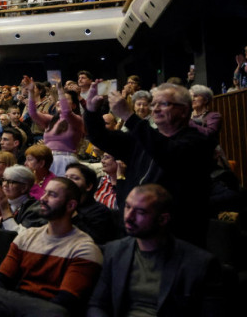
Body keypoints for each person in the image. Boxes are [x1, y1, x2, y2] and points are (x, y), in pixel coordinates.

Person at [83, 83, 215, 247]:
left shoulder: (197, 143)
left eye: (164, 104)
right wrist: (91, 111)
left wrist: (129, 117)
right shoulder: (142, 139)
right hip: (135, 231)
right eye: (154, 104)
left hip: (175, 239)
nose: (156, 109)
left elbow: (169, 155)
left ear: (184, 110)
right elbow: (100, 137)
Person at [87, 184, 223, 317]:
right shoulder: (115, 251)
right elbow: (97, 304)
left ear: (163, 219)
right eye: (128, 207)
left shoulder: (199, 263)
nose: (129, 217)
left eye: (140, 212)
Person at [0, 178, 103, 314]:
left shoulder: (85, 249)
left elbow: (66, 302)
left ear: (70, 206)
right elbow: (1, 281)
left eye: (52, 195)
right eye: (45, 192)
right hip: (13, 307)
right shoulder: (27, 236)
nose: (43, 198)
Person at [23, 76, 84, 175]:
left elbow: (66, 111)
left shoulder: (77, 120)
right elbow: (33, 113)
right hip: (49, 159)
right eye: (58, 100)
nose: (59, 102)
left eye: (64, 99)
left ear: (74, 105)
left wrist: (60, 89)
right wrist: (31, 92)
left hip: (66, 160)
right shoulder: (52, 120)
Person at [64, 162, 121, 246]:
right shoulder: (61, 205)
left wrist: (74, 216)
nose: (67, 182)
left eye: (74, 178)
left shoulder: (100, 212)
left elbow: (93, 241)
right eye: (66, 177)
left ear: (88, 186)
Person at [0, 165, 46, 233]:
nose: (5, 184)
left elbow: (24, 239)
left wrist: (5, 212)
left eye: (11, 182)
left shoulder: (36, 210)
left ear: (24, 188)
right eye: (4, 180)